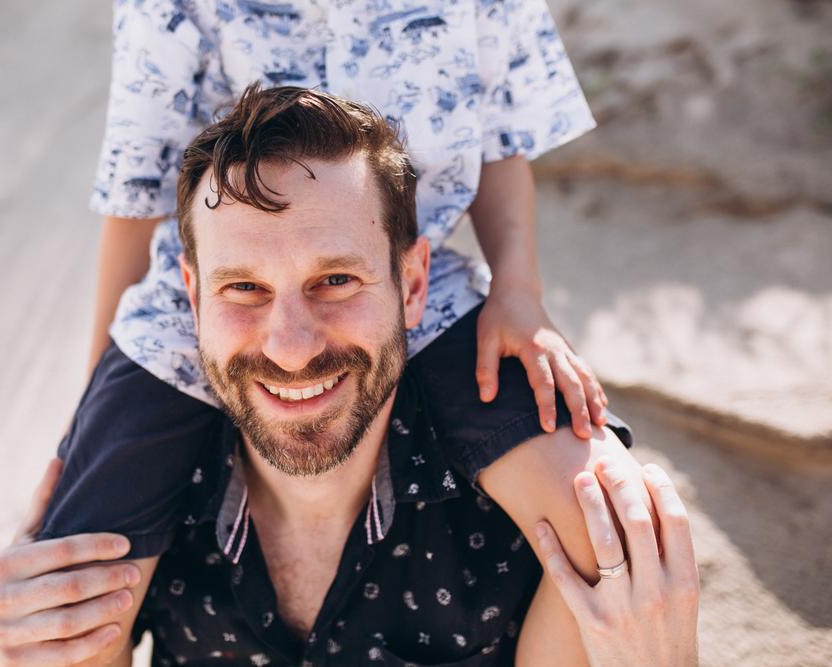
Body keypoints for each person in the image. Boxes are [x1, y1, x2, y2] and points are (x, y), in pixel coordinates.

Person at [0, 87, 699, 666]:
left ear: (415, 285)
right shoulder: (150, 488)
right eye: (243, 289)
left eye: (337, 280)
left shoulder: (517, 514)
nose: (289, 347)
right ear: (189, 295)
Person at [38, 0, 627, 575]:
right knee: (71, 572)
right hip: (214, 297)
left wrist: (518, 291)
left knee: (606, 522)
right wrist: (94, 402)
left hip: (398, 281)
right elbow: (136, 191)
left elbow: (501, 140)